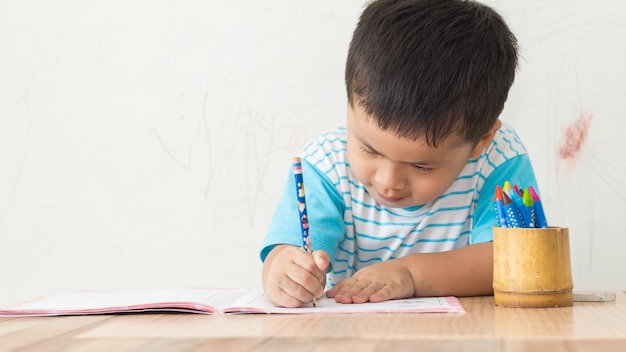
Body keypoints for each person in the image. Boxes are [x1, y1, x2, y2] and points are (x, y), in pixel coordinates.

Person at [260, 0, 540, 308]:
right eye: (369, 149)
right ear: (350, 108)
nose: (388, 181)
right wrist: (284, 272)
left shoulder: (500, 160)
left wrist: (409, 274)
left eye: (421, 166)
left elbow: (514, 260)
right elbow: (288, 253)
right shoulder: (324, 165)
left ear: (481, 139)